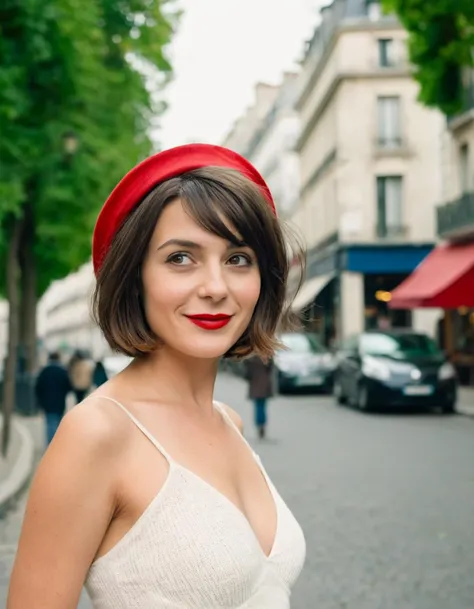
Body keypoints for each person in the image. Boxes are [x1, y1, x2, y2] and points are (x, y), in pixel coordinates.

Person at [8, 144, 306, 609]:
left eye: (238, 258)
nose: (215, 287)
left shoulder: (229, 422)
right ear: (135, 277)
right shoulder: (98, 434)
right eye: (181, 258)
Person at [34, 352, 72, 445]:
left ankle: (50, 446)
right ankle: (57, 445)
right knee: (58, 424)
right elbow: (69, 387)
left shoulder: (44, 371)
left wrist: (40, 400)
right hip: (59, 402)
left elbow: (38, 387)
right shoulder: (62, 371)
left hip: (47, 403)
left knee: (50, 424)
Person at [245, 355, 274, 439]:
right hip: (265, 383)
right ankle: (262, 424)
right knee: (262, 405)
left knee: (258, 406)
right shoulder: (266, 354)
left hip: (255, 383)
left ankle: (259, 424)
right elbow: (270, 368)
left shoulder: (250, 356)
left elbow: (247, 373)